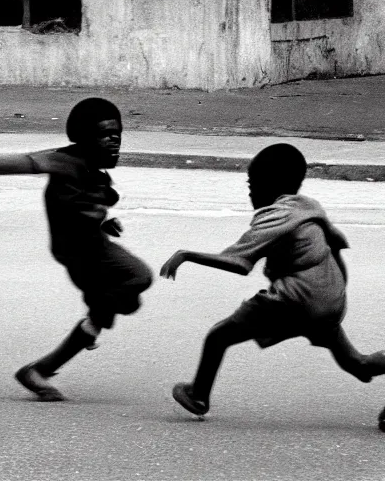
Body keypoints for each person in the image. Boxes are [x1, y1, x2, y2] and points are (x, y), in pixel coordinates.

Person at [161, 143, 385, 418]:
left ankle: (198, 395)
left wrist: (187, 255)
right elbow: (337, 249)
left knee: (218, 336)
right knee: (357, 364)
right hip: (327, 300)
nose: (250, 191)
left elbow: (239, 263)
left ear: (271, 184)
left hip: (295, 299)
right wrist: (336, 296)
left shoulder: (276, 215)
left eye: (253, 184)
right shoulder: (309, 208)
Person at [0, 98, 152, 401]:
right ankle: (84, 327)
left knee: (128, 301)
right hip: (79, 254)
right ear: (84, 139)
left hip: (96, 245)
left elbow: (83, 207)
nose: (114, 141)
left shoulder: (95, 173)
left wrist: (103, 224)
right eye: (104, 135)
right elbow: (28, 162)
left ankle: (43, 368)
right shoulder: (66, 161)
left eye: (118, 134)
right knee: (137, 280)